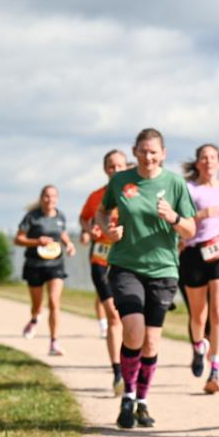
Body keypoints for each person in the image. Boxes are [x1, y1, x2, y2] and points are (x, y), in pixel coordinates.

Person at [95, 128, 196, 429]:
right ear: (135, 152)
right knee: (133, 330)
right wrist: (107, 231)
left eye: (154, 152)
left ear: (163, 153)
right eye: (143, 151)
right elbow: (101, 213)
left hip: (163, 269)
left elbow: (190, 230)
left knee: (151, 342)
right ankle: (126, 395)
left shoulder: (175, 184)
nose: (148, 157)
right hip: (126, 265)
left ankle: (142, 400)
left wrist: (174, 218)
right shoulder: (120, 181)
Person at [180, 144, 219, 394]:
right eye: (204, 157)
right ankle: (198, 347)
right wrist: (202, 214)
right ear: (198, 162)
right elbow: (181, 221)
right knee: (199, 315)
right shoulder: (189, 189)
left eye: (213, 157)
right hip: (194, 253)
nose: (209, 161)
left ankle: (215, 370)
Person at [80, 150, 130, 394]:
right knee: (112, 314)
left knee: (129, 316)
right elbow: (85, 218)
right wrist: (89, 230)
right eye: (111, 166)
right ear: (105, 169)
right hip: (101, 259)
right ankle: (118, 372)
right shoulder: (96, 196)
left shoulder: (133, 193)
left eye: (120, 166)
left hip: (128, 261)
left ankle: (132, 365)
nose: (116, 170)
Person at [15, 185, 77, 356]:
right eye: (47, 196)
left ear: (57, 198)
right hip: (34, 265)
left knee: (54, 302)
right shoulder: (32, 217)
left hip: (55, 264)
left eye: (54, 196)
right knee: (37, 304)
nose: (50, 200)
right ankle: (34, 319)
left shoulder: (60, 216)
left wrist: (69, 244)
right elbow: (18, 239)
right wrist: (37, 241)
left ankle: (54, 342)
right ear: (41, 198)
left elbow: (62, 233)